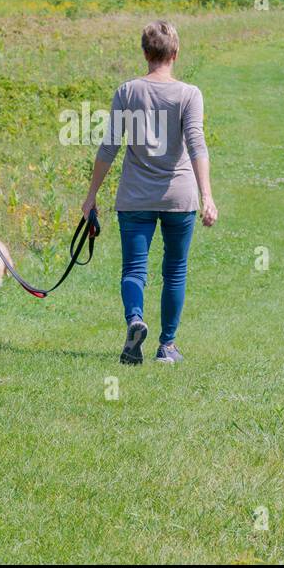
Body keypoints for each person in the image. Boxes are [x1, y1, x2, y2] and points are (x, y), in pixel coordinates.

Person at [82, 20, 217, 365]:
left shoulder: (127, 92)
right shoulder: (189, 94)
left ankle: (135, 319)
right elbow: (197, 144)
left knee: (134, 271)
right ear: (175, 53)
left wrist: (91, 194)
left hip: (135, 197)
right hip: (179, 196)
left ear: (145, 53)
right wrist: (207, 197)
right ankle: (167, 346)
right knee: (174, 270)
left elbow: (109, 146)